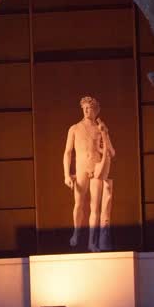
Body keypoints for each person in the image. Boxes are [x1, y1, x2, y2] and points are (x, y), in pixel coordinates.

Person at [62, 95, 116, 252]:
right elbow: (67, 153)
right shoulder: (74, 128)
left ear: (96, 111)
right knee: (79, 204)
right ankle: (76, 231)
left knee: (95, 208)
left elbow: (111, 152)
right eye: (84, 108)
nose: (86, 110)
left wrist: (104, 134)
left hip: (96, 168)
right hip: (81, 168)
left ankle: (92, 243)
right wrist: (66, 174)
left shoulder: (100, 129)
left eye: (90, 108)